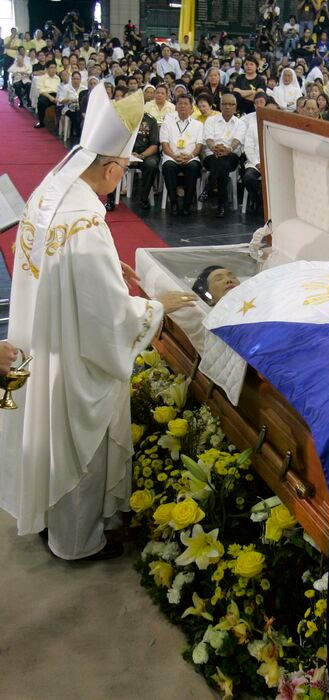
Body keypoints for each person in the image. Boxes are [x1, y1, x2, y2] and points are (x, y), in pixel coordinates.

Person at [0, 84, 196, 561]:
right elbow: (107, 317)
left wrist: (112, 267)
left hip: (38, 335)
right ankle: (78, 541)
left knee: (46, 433)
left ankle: (50, 519)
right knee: (77, 440)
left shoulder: (52, 192)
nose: (123, 179)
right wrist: (157, 307)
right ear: (110, 168)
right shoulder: (87, 224)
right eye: (124, 171)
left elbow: (64, 270)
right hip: (72, 355)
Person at [203, 93, 247, 217]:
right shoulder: (211, 120)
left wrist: (229, 149)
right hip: (212, 155)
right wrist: (214, 148)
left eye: (231, 104)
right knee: (222, 164)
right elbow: (209, 139)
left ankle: (209, 188)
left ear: (235, 106)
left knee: (225, 163)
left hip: (231, 155)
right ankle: (222, 203)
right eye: (225, 104)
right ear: (220, 106)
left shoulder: (240, 124)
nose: (228, 107)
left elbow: (237, 141)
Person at [160, 94, 203, 217]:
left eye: (186, 103)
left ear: (191, 108)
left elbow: (199, 146)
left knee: (194, 167)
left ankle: (187, 204)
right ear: (176, 107)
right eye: (180, 103)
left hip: (191, 157)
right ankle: (173, 203)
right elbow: (164, 144)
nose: (182, 106)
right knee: (168, 167)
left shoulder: (198, 125)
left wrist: (190, 156)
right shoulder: (167, 123)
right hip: (171, 156)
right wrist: (174, 156)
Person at [243, 99, 279, 212]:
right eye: (268, 110)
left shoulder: (281, 129)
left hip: (275, 164)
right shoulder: (253, 127)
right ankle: (261, 202)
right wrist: (257, 164)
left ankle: (273, 205)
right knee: (248, 178)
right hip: (256, 163)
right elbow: (248, 148)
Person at [35, 61, 61, 129]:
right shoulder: (42, 78)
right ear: (47, 69)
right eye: (51, 68)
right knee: (41, 102)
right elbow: (41, 91)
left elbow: (60, 90)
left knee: (62, 103)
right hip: (46, 95)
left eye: (55, 68)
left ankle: (59, 124)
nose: (53, 70)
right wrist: (50, 97)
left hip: (56, 95)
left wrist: (57, 98)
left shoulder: (58, 78)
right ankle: (41, 122)